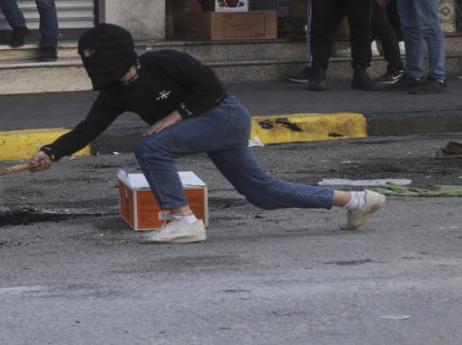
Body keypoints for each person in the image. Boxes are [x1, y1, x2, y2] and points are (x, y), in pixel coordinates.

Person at [27, 23, 386, 244]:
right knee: (262, 193)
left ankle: (183, 220)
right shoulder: (114, 94)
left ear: (114, 52)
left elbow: (209, 85)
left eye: (92, 53)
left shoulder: (163, 61)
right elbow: (88, 129)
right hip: (210, 128)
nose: (88, 60)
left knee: (151, 147)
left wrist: (177, 115)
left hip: (224, 116)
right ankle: (357, 200)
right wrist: (52, 153)